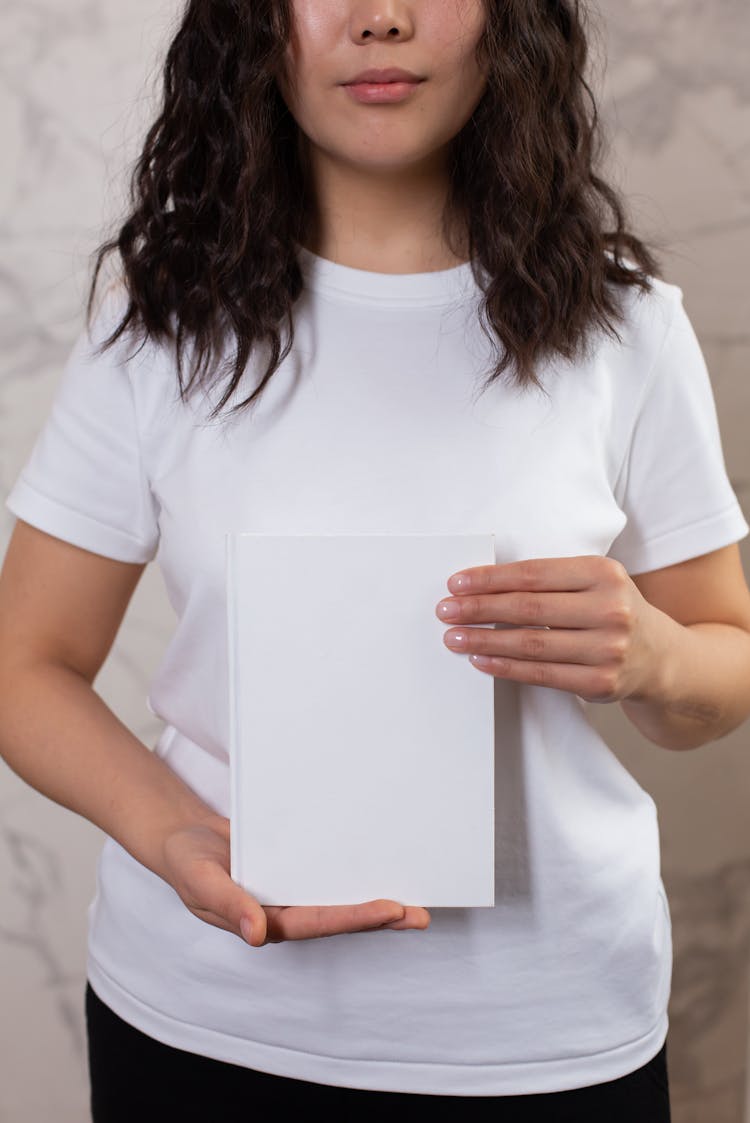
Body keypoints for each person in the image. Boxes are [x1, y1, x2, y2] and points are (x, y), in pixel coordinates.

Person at [1, 0, 749, 1119]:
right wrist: (175, 835)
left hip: (545, 1033)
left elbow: (723, 669)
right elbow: (27, 660)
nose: (382, 18)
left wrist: (650, 657)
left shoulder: (625, 327)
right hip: (205, 1020)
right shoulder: (160, 320)